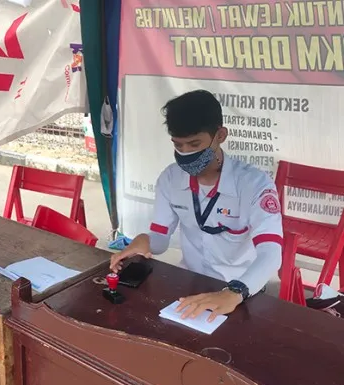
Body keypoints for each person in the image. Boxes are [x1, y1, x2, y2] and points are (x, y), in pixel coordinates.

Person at [111, 90, 283, 321]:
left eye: (194, 144)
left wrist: (234, 292)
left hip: (242, 290)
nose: (185, 154)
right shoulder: (170, 179)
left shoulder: (254, 184)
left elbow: (271, 253)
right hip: (190, 283)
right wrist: (143, 240)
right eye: (178, 145)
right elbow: (160, 241)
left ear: (220, 135)